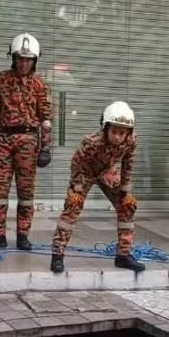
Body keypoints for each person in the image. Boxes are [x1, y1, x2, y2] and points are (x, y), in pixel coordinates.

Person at [50, 102, 144, 275]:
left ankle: (123, 255)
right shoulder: (91, 142)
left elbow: (128, 163)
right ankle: (57, 254)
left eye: (122, 133)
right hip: (85, 172)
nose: (117, 136)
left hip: (107, 171)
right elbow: (76, 163)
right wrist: (77, 186)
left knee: (128, 205)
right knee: (73, 206)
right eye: (114, 131)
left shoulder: (131, 141)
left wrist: (125, 189)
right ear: (105, 127)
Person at [0, 33, 53, 251]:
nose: (24, 63)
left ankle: (23, 234)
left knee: (26, 190)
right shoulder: (2, 78)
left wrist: (45, 147)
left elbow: (46, 118)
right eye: (20, 58)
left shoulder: (40, 83)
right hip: (4, 137)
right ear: (13, 58)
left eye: (28, 59)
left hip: (28, 140)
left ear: (35, 60)